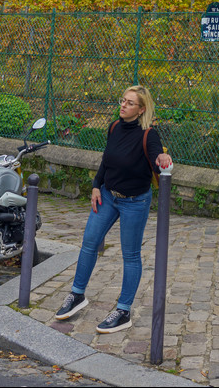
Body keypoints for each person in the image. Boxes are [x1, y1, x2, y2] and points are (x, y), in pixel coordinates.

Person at [54, 84, 173, 333]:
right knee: (89, 243)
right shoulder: (115, 127)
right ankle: (77, 295)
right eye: (123, 100)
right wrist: (97, 186)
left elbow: (155, 159)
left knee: (130, 255)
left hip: (134, 202)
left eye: (130, 103)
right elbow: (106, 160)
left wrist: (162, 160)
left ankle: (123, 310)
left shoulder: (149, 135)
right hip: (107, 196)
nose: (123, 105)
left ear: (141, 110)